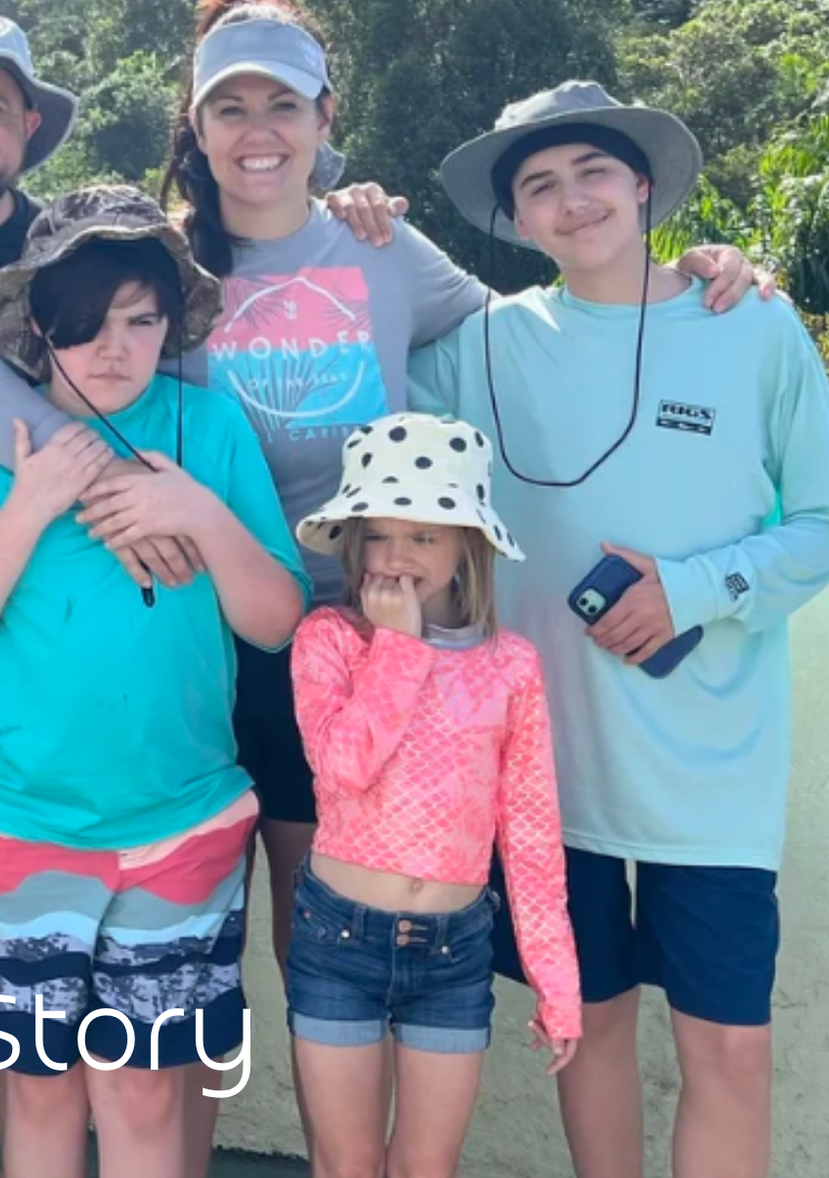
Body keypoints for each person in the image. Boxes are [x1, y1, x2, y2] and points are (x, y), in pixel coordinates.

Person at [0, 0, 769, 1160]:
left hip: (376, 638)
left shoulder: (379, 247)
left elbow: (531, 323)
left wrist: (687, 282)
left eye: (283, 102)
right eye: (227, 108)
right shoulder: (156, 262)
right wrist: (93, 474)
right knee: (200, 959)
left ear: (323, 116)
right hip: (212, 644)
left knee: (328, 944)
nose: (256, 131)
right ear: (193, 132)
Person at [0, 8, 409, 910]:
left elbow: (457, 322)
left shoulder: (63, 253)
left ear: (29, 129)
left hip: (71, 690)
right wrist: (95, 480)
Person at [411, 82, 829, 1178]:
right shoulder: (478, 346)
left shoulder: (751, 321)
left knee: (728, 1046)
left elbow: (825, 522)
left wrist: (696, 586)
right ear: (515, 221)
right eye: (540, 187)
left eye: (592, 174)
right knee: (587, 1029)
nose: (571, 203)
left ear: (644, 186)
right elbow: (345, 375)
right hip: (543, 766)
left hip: (712, 772)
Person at [0, 186, 308, 1178]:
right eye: (85, 325)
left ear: (173, 321)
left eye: (140, 320)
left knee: (142, 1085)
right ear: (38, 328)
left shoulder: (207, 429)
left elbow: (274, 617)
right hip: (21, 823)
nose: (113, 348)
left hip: (185, 821)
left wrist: (199, 512)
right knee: (38, 1090)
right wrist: (30, 503)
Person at [285, 412, 582, 1178]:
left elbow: (529, 833)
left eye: (424, 535)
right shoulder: (329, 641)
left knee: (428, 1165)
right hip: (338, 940)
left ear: (466, 546)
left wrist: (557, 981)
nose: (398, 556)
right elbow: (343, 770)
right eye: (379, 534)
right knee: (346, 1163)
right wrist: (400, 647)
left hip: (454, 952)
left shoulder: (509, 665)